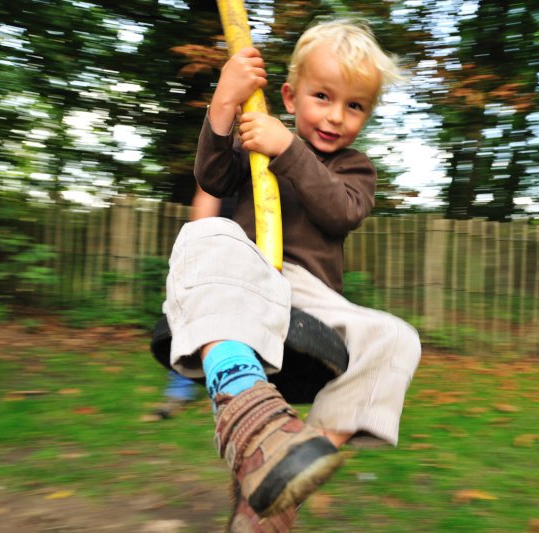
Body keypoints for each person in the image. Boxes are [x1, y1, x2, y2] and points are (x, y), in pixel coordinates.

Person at [163, 19, 422, 531]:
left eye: (355, 106)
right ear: (289, 94)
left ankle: (298, 459)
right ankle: (255, 423)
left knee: (398, 339)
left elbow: (339, 211)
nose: (336, 117)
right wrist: (223, 107)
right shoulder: (255, 137)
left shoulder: (354, 168)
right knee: (202, 236)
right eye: (322, 96)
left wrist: (287, 150)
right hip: (246, 281)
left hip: (311, 298)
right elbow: (212, 177)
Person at [146, 187, 222, 421]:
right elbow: (206, 199)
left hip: (252, 247)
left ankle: (228, 396)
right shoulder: (225, 161)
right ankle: (181, 391)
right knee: (193, 317)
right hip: (216, 246)